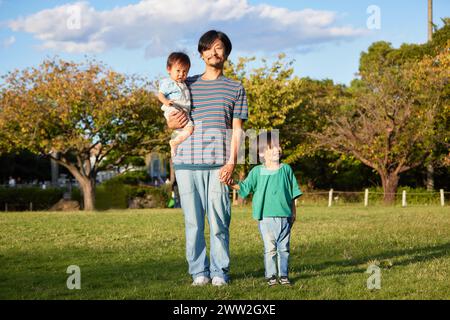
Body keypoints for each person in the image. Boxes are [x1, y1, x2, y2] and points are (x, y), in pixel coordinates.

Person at [166, 30, 248, 286]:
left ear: (226, 53)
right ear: (201, 53)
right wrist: (170, 120)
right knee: (193, 223)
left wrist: (232, 162)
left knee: (220, 221)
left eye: (219, 48)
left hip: (219, 166)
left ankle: (220, 272)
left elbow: (237, 129)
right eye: (209, 48)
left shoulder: (236, 87)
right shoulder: (185, 84)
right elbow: (170, 118)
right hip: (186, 163)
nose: (214, 52)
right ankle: (199, 273)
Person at [228, 131, 302, 286]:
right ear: (262, 152)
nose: (277, 149)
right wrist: (229, 182)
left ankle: (283, 276)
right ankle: (271, 276)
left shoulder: (286, 170)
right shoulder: (257, 172)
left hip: (285, 216)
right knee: (270, 249)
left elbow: (293, 193)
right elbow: (245, 187)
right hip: (266, 217)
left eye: (277, 146)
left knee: (284, 249)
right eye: (272, 147)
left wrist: (294, 213)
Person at [158, 52, 194, 157]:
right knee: (184, 126)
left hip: (183, 111)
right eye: (178, 71)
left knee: (189, 129)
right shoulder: (168, 83)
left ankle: (175, 142)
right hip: (173, 108)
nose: (181, 74)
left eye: (185, 72)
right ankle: (175, 143)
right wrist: (166, 102)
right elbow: (160, 94)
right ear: (169, 69)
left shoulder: (184, 83)